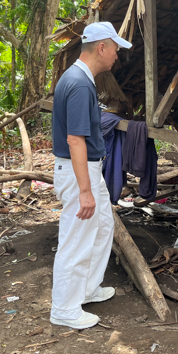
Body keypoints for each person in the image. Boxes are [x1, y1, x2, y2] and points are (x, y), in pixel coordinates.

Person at [51, 22, 132, 329]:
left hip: (86, 168)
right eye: (115, 49)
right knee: (77, 237)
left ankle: (86, 288)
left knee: (101, 226)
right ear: (101, 47)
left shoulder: (79, 79)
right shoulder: (80, 84)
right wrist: (85, 190)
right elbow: (75, 140)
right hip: (78, 170)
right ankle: (64, 308)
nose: (117, 56)